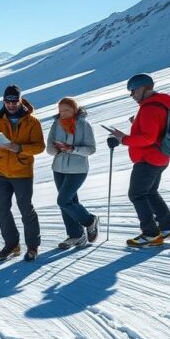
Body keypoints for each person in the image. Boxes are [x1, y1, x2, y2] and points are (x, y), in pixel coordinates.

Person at [107, 73, 170, 247]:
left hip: (148, 159)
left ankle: (151, 234)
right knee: (150, 193)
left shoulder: (149, 108)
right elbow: (156, 131)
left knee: (136, 194)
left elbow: (148, 138)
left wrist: (123, 138)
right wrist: (136, 123)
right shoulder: (160, 105)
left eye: (133, 91)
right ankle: (169, 227)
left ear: (144, 88)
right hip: (160, 157)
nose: (131, 95)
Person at [0, 85, 45, 261]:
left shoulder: (32, 121)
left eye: (14, 101)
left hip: (22, 172)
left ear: (20, 100)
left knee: (26, 209)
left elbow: (39, 147)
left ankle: (32, 246)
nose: (11, 104)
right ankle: (12, 245)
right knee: (1, 208)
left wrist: (17, 148)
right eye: (8, 101)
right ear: (4, 101)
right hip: (1, 171)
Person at [46, 97, 99, 249]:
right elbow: (49, 147)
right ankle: (76, 235)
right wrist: (55, 149)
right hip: (59, 168)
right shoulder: (56, 124)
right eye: (60, 111)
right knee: (68, 203)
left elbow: (91, 149)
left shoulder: (84, 125)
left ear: (75, 109)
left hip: (78, 170)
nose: (63, 114)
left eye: (67, 110)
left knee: (63, 200)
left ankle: (90, 220)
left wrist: (72, 149)